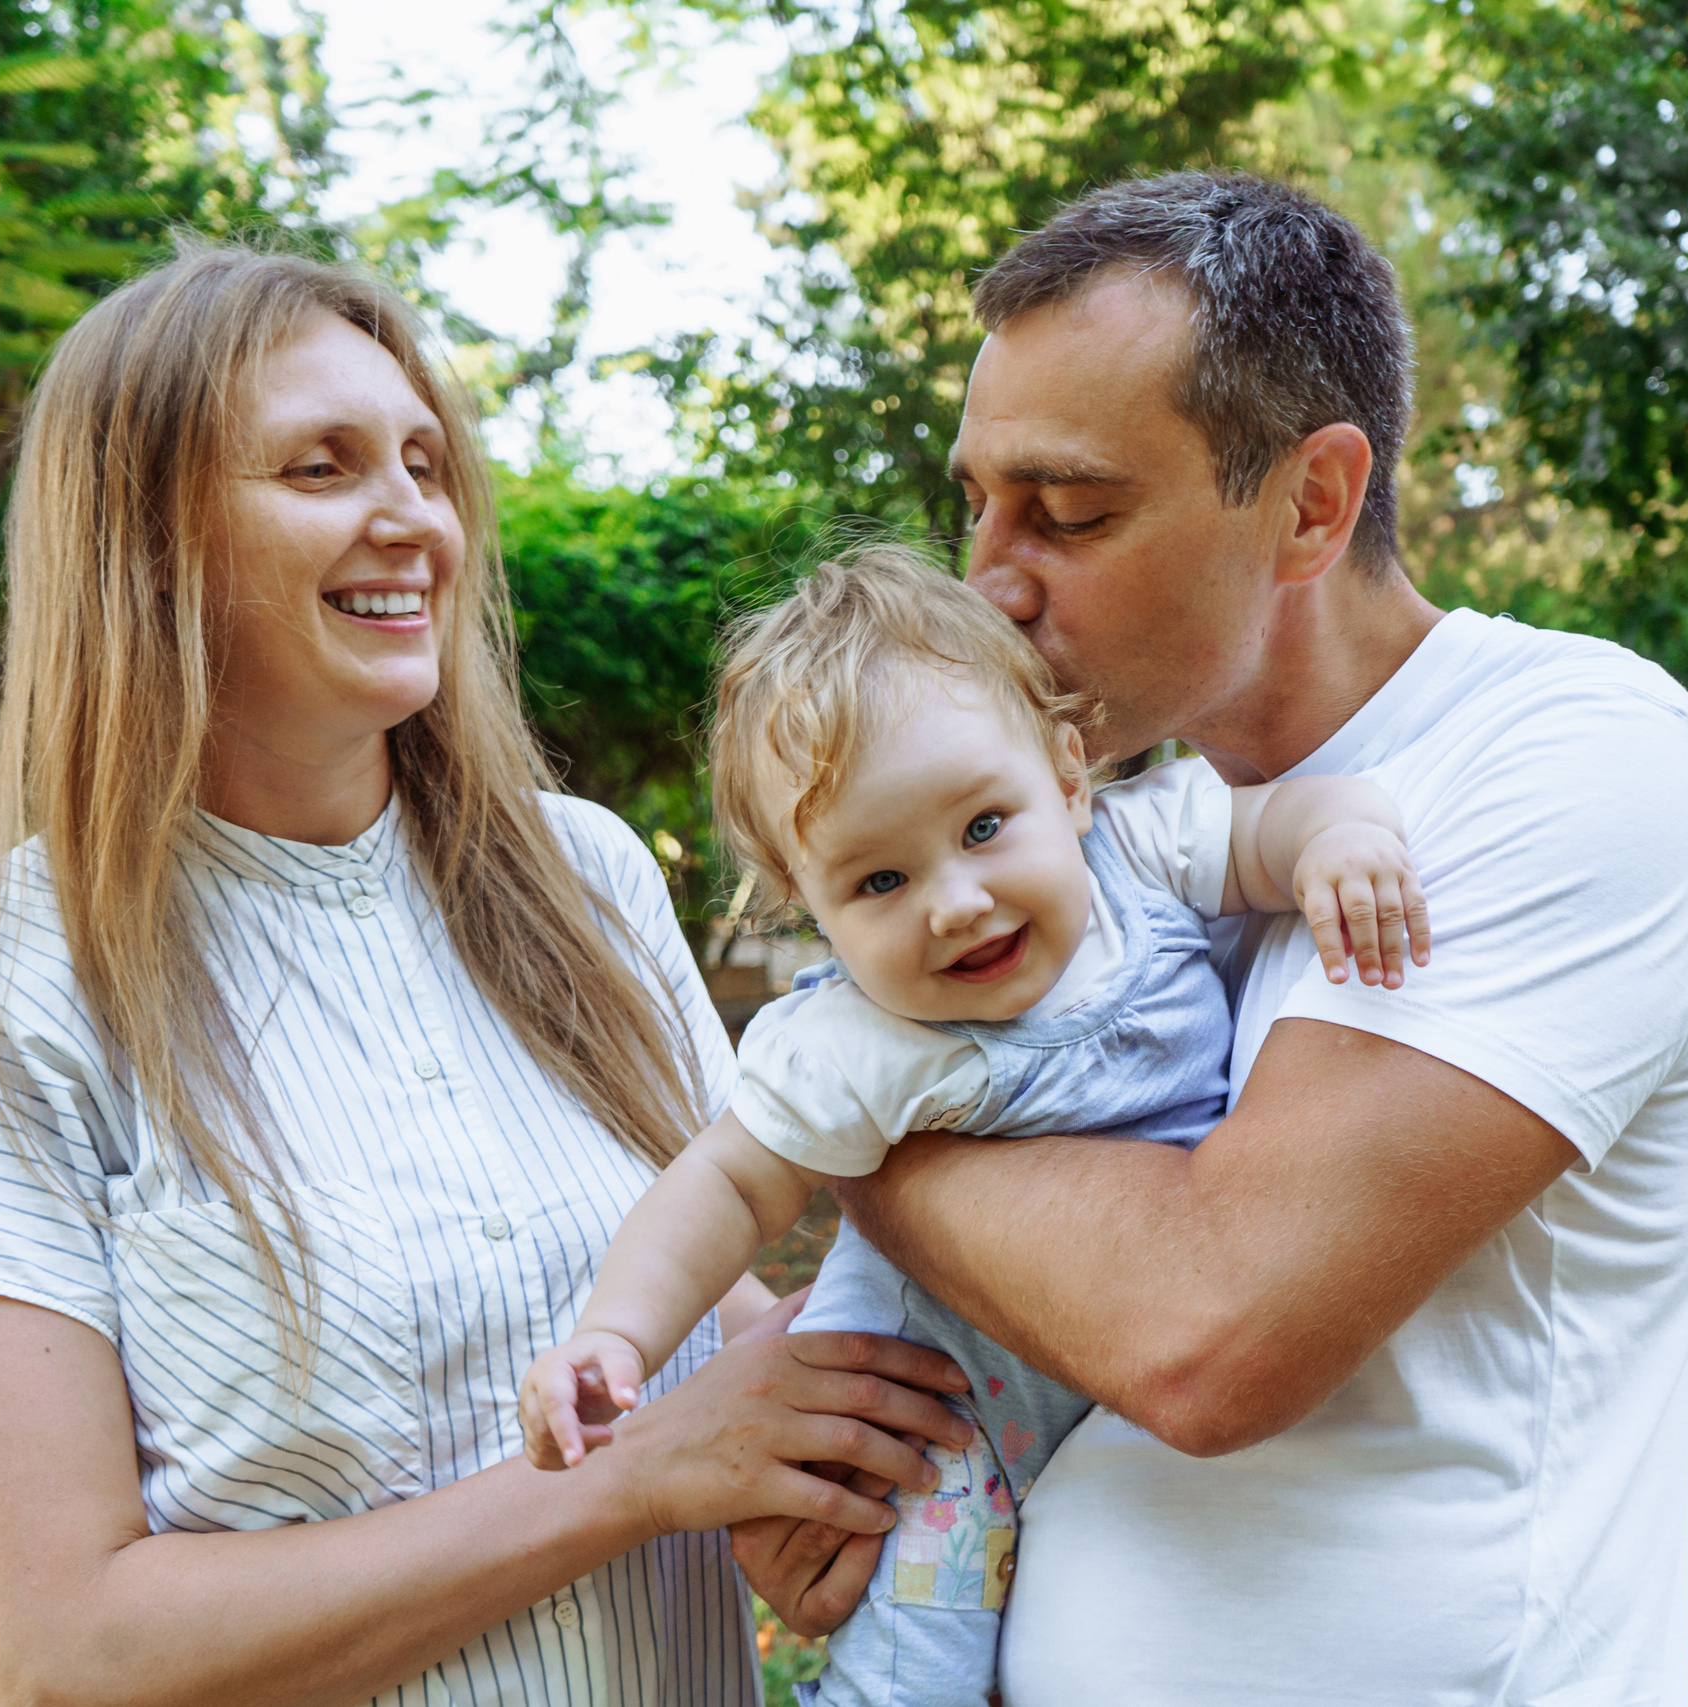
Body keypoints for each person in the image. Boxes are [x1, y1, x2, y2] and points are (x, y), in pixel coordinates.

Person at [0, 243, 971, 1707]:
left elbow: (697, 1316)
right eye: (323, 466)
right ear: (145, 540)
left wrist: (809, 1474)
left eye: (424, 463)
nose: (414, 516)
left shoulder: (588, 878)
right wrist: (627, 1483)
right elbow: (58, 1654)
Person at [733, 173, 1688, 1704]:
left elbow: (1203, 1328)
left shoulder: (1569, 755)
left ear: (1312, 503)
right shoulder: (1092, 840)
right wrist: (847, 1452)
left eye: (1070, 510)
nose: (989, 581)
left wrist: (845, 1109)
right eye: (978, 504)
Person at [519, 547, 1429, 1707]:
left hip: (1118, 1393)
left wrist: (1340, 841)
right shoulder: (855, 1043)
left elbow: (1277, 827)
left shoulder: (1139, 853)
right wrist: (616, 1333)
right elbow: (729, 1186)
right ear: (808, 905)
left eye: (985, 825)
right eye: (878, 883)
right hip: (935, 1432)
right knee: (916, 1678)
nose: (955, 902)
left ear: (1068, 778)